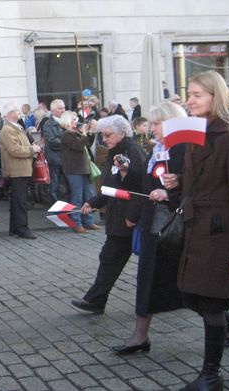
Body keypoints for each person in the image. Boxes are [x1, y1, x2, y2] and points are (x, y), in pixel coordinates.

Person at [161, 71, 229, 390]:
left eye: (197, 95)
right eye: (188, 94)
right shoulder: (193, 134)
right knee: (193, 297)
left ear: (215, 98)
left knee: (212, 303)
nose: (189, 101)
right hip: (195, 229)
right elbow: (193, 185)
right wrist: (176, 184)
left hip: (220, 232)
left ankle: (211, 375)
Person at [112, 101, 187, 355]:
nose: (151, 128)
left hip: (175, 228)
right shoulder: (157, 149)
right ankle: (139, 335)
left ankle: (226, 325)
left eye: (157, 123)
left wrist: (170, 193)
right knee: (147, 280)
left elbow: (196, 187)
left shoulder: (184, 150)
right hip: (154, 227)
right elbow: (146, 185)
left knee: (191, 285)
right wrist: (127, 171)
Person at [72, 115, 145, 314]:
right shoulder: (114, 151)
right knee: (109, 259)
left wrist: (131, 217)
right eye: (103, 135)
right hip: (116, 216)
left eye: (109, 135)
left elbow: (140, 188)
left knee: (111, 259)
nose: (105, 139)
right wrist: (93, 202)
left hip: (127, 218)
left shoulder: (133, 152)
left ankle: (95, 299)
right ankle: (95, 299)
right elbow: (109, 187)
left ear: (123, 133)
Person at [0, 103, 41, 239]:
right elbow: (15, 150)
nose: (19, 112)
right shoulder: (7, 130)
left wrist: (32, 146)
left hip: (23, 168)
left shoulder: (18, 127)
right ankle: (22, 228)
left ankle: (15, 228)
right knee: (20, 201)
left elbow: (24, 144)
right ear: (10, 114)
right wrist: (31, 150)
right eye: (16, 110)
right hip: (17, 169)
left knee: (17, 200)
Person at [59, 111, 99, 234]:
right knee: (77, 196)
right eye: (73, 120)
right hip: (74, 169)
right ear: (67, 122)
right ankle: (76, 222)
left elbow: (87, 144)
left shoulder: (77, 133)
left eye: (76, 119)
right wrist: (84, 134)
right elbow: (78, 146)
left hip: (84, 168)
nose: (76, 121)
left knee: (88, 195)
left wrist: (90, 133)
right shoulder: (67, 135)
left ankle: (88, 220)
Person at [43, 99, 66, 203]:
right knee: (55, 184)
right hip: (54, 159)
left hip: (66, 158)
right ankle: (55, 205)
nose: (63, 110)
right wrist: (67, 143)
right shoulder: (48, 124)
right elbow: (52, 141)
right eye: (60, 108)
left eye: (64, 108)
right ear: (53, 110)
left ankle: (65, 205)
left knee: (66, 184)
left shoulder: (66, 122)